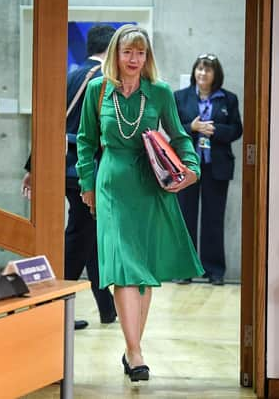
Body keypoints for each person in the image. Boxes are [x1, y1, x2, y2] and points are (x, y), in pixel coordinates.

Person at [76, 24, 204, 382]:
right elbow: (86, 141)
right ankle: (135, 352)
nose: (134, 59)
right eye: (127, 52)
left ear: (147, 58)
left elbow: (179, 136)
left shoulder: (159, 92)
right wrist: (87, 183)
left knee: (143, 274)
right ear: (115, 54)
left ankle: (132, 347)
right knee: (123, 268)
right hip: (112, 184)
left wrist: (191, 167)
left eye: (140, 53)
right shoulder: (97, 91)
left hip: (150, 184)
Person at [21, 24, 117, 330]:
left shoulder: (72, 74)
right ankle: (52, 305)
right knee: (80, 234)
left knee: (87, 232)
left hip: (59, 166)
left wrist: (32, 167)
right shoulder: (102, 80)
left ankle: (107, 307)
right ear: (112, 47)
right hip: (85, 169)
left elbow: (50, 124)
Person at [174, 53, 243, 286]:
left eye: (208, 70)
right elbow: (171, 129)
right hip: (187, 167)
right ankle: (184, 268)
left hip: (217, 167)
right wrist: (192, 127)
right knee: (186, 218)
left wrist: (217, 131)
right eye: (199, 69)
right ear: (194, 72)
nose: (202, 74)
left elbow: (236, 129)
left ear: (216, 75)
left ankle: (214, 271)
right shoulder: (180, 97)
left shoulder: (229, 99)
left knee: (214, 219)